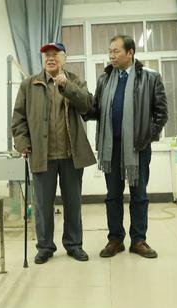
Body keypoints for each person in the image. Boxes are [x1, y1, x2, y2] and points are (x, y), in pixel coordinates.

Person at [11, 42, 96, 264]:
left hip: (71, 155)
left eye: (55, 54)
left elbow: (88, 105)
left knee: (73, 204)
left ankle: (74, 245)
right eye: (46, 55)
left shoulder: (75, 80)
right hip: (42, 156)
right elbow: (18, 119)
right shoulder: (29, 85)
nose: (50, 58)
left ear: (64, 59)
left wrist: (67, 85)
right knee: (42, 206)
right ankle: (45, 247)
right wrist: (22, 143)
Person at [86, 35, 167, 259]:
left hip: (137, 148)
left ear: (130, 53)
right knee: (113, 196)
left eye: (116, 51)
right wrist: (79, 101)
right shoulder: (105, 79)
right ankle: (115, 240)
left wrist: (145, 137)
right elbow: (95, 110)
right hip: (111, 147)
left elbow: (161, 114)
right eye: (110, 51)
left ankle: (138, 240)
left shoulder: (150, 77)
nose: (111, 55)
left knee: (139, 195)